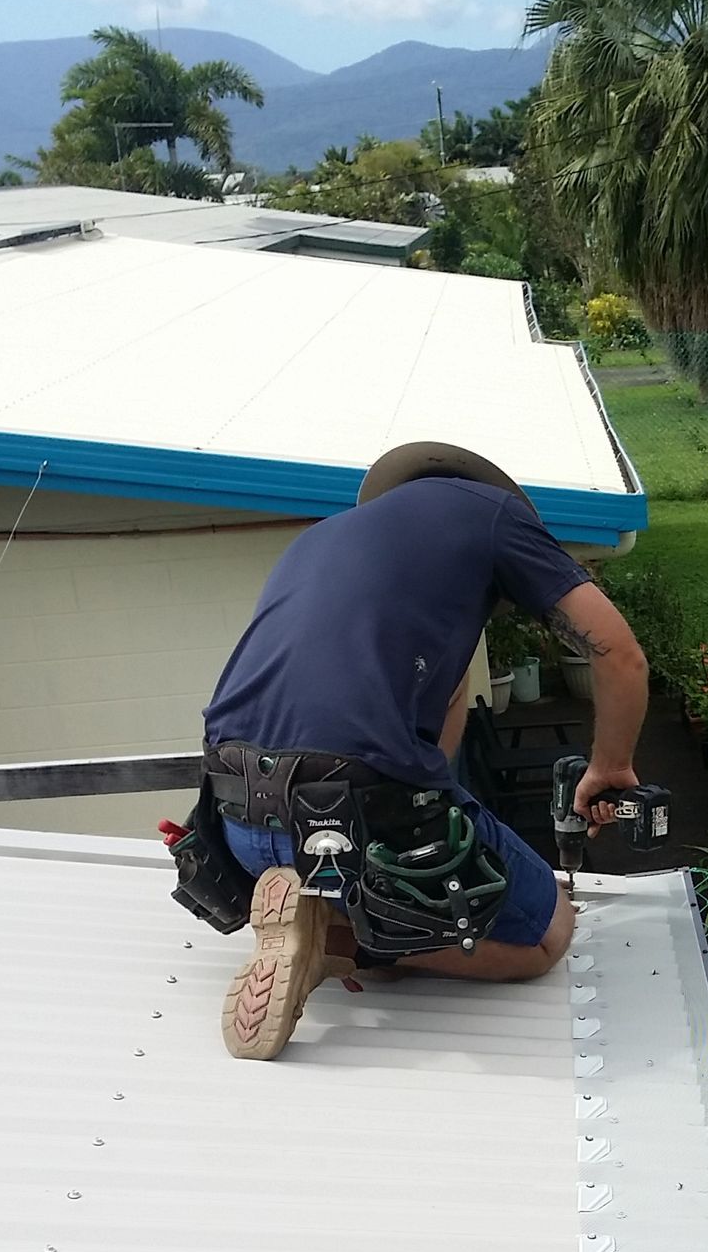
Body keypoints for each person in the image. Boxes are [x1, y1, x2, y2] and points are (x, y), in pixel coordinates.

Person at [199, 442, 649, 1060]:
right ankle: (355, 936)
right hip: (358, 810)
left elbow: (437, 730)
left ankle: (326, 912)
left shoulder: (321, 539)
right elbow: (618, 654)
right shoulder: (492, 514)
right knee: (549, 933)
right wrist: (610, 766)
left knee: (396, 883)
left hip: (236, 817)